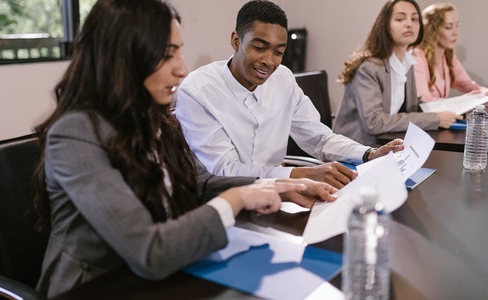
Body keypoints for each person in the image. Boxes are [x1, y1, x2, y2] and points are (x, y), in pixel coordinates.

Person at [31, 0, 340, 297]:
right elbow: (148, 251)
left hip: (163, 275)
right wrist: (236, 198)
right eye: (168, 55)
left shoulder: (155, 117)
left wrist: (276, 188)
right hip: (100, 286)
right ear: (124, 57)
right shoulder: (75, 133)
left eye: (179, 52)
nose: (182, 68)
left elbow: (198, 182)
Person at [175, 0, 404, 189]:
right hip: (226, 199)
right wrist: (300, 175)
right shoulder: (198, 91)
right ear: (236, 40)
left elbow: (318, 138)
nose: (269, 61)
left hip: (281, 193)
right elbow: (226, 171)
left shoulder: (283, 79)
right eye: (259, 47)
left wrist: (369, 154)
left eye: (279, 52)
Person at [332, 0, 462, 146]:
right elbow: (374, 122)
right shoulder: (369, 68)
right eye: (400, 19)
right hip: (356, 149)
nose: (409, 24)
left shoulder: (407, 63)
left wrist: (455, 111)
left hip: (386, 146)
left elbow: (412, 108)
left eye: (414, 19)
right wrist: (435, 118)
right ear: (385, 26)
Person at [412, 3, 488, 102]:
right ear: (431, 30)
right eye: (448, 27)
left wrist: (485, 93)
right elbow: (424, 100)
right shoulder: (416, 57)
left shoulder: (448, 57)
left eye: (457, 26)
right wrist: (462, 101)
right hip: (425, 117)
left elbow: (472, 87)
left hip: (442, 116)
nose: (456, 32)